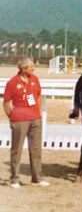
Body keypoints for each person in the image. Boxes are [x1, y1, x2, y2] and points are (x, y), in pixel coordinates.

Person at [3, 57, 50, 189]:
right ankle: (14, 179)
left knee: (36, 149)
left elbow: (38, 96)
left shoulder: (34, 79)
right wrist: (13, 117)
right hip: (19, 120)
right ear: (23, 69)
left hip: (35, 118)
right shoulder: (12, 82)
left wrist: (37, 113)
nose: (33, 68)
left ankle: (37, 177)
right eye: (31, 67)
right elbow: (6, 103)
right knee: (16, 150)